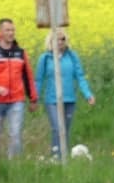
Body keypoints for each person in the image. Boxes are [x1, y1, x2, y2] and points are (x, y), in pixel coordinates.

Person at [0, 18, 37, 158]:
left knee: (15, 134)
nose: (11, 33)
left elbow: (28, 76)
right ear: (0, 32)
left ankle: (14, 166)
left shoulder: (20, 53)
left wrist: (33, 98)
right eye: (8, 30)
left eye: (13, 30)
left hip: (17, 100)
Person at [34, 29, 95, 159]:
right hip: (52, 100)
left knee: (65, 130)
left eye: (63, 39)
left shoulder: (72, 56)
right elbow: (39, 80)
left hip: (69, 99)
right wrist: (35, 99)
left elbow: (80, 76)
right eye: (58, 39)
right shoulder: (45, 58)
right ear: (51, 40)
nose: (61, 42)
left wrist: (87, 94)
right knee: (57, 128)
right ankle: (56, 156)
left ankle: (64, 157)